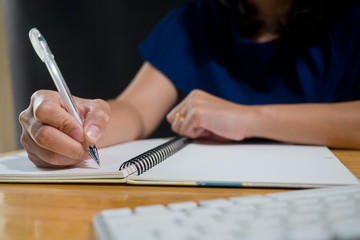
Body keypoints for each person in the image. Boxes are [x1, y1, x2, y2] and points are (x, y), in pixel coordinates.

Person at [19, 0, 360, 168]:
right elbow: (136, 110)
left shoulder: (350, 18)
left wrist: (249, 118)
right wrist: (78, 124)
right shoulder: (198, 19)